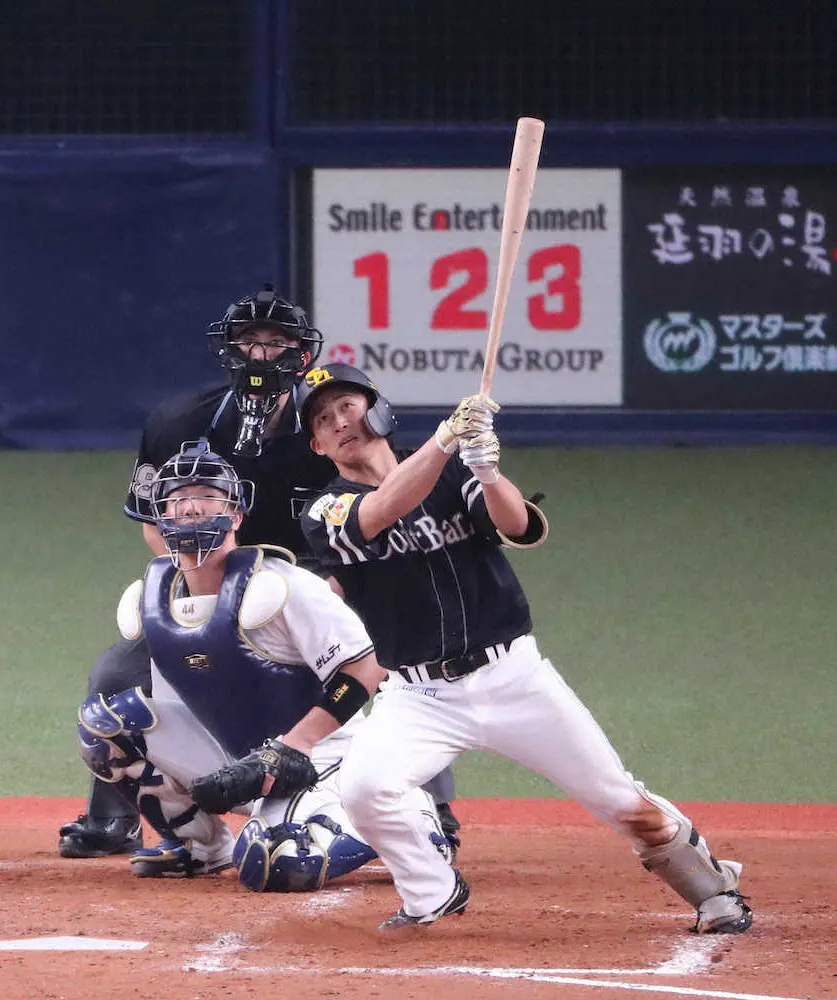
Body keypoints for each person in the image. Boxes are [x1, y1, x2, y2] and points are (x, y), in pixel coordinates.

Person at [293, 362, 753, 934]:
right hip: (419, 695)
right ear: (316, 444)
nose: (340, 421)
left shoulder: (451, 473)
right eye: (323, 418)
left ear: (378, 409)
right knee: (365, 791)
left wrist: (485, 471)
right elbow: (379, 510)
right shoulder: (322, 511)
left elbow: (515, 526)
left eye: (347, 406)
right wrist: (443, 442)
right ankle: (432, 892)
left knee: (621, 802)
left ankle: (714, 891)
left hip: (512, 677)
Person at [59, 286, 461, 860]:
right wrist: (199, 576)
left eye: (278, 342)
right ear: (228, 349)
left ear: (302, 353)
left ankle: (430, 811)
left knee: (399, 652)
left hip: (329, 572)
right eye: (250, 341)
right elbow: (154, 522)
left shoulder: (328, 422)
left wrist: (340, 582)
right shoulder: (178, 423)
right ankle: (115, 817)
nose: (262, 354)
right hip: (213, 574)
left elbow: (375, 498)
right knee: (118, 671)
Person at [76, 441, 451, 886]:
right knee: (109, 726)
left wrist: (291, 747)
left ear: (236, 515)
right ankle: (200, 847)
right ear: (161, 518)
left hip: (322, 763)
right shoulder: (153, 602)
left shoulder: (282, 587)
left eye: (206, 496)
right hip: (238, 760)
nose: (192, 508)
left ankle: (408, 823)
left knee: (277, 864)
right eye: (178, 499)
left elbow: (367, 669)